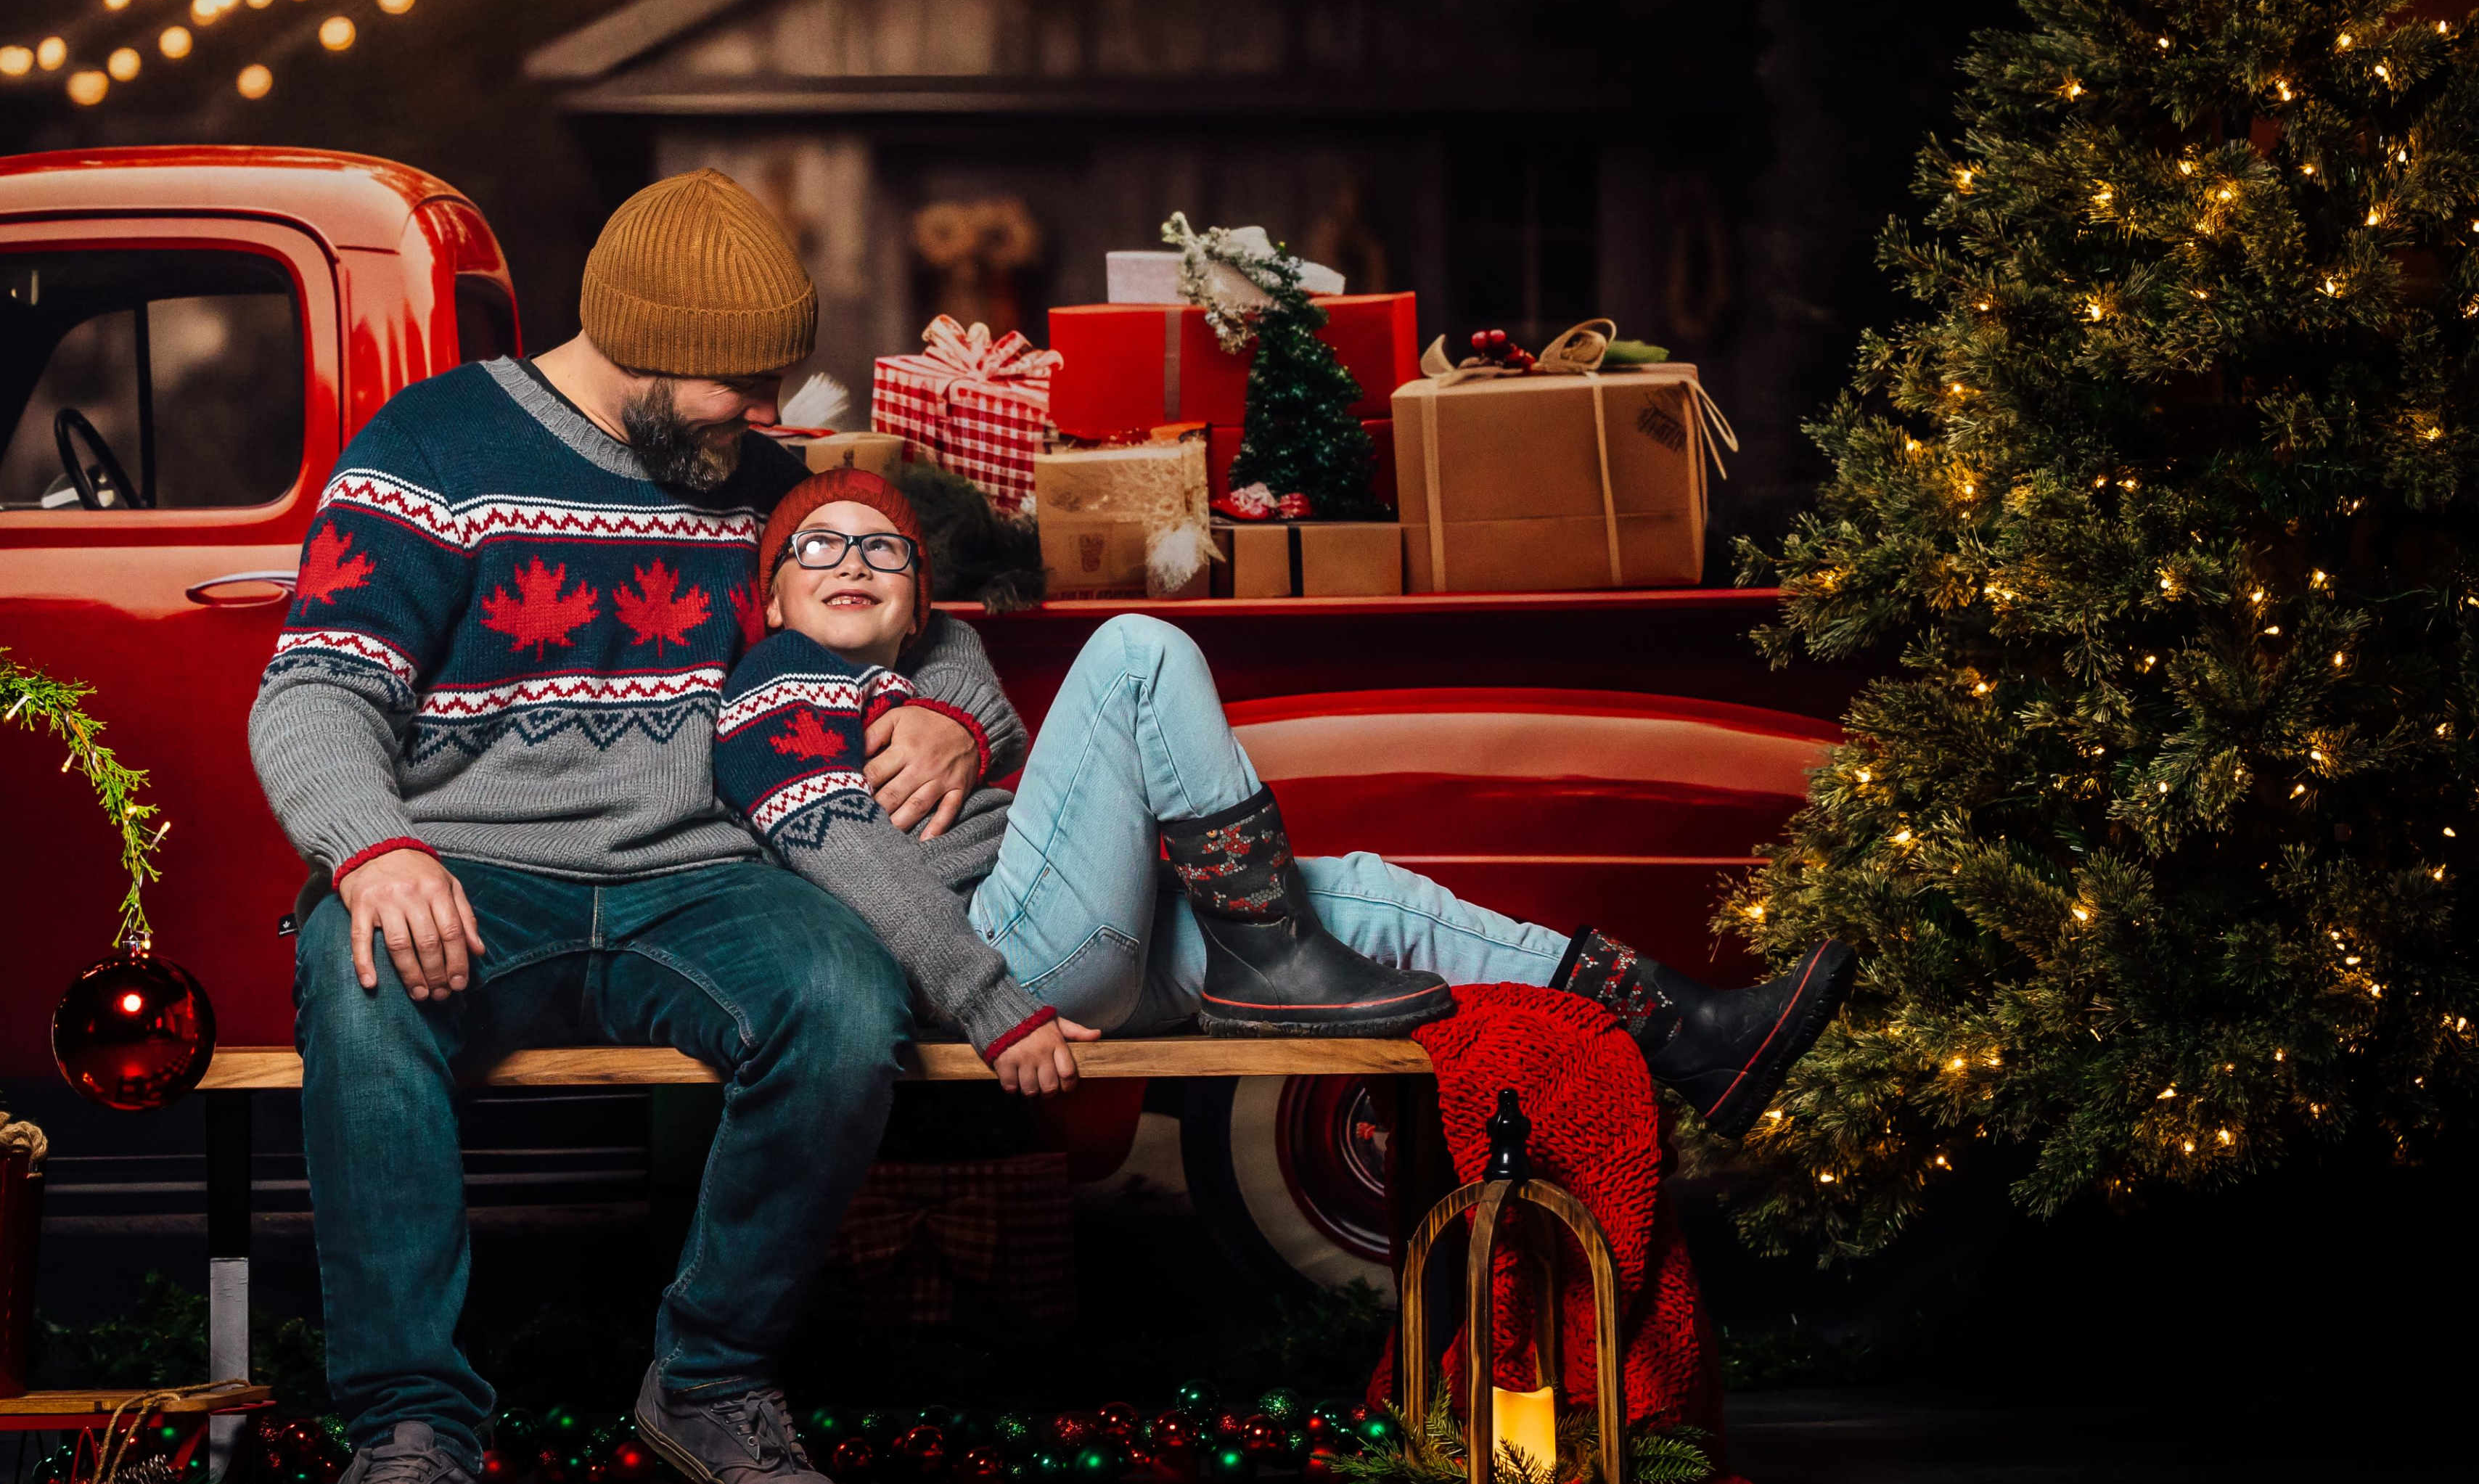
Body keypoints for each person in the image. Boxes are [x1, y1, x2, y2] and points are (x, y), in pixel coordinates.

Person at [248, 172, 1033, 1484]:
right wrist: (372, 848)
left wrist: (948, 714)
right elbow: (314, 693)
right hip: (472, 871)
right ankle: (411, 1434)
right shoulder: (434, 446)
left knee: (844, 1004)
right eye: (739, 386)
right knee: (355, 989)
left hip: (706, 882)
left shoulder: (755, 477)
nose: (765, 418)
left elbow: (922, 611)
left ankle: (715, 1381)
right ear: (633, 342)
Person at [714, 469, 1855, 1118]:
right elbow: (846, 861)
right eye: (815, 549)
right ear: (769, 603)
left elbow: (969, 665)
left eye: (886, 551)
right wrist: (986, 1003)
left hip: (1088, 942)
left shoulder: (933, 669)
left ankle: (1676, 1026)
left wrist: (957, 703)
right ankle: (1269, 956)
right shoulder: (774, 688)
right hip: (1000, 964)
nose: (853, 562)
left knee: (1350, 895)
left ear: (923, 604)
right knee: (1134, 652)